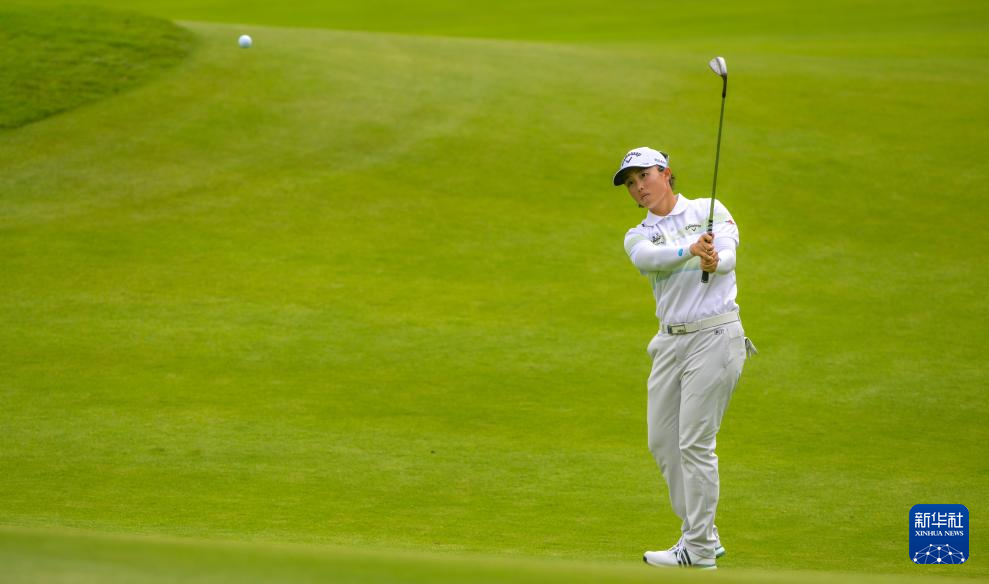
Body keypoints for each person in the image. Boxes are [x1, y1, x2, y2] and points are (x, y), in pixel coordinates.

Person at [613, 146, 755, 570]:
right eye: (631, 183)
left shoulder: (708, 209)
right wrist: (692, 251)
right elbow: (649, 260)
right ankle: (703, 534)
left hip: (715, 335)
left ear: (666, 173)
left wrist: (714, 258)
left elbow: (728, 257)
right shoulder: (638, 234)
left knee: (694, 442)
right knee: (662, 442)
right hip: (669, 343)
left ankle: (698, 549)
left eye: (644, 176)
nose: (639, 187)